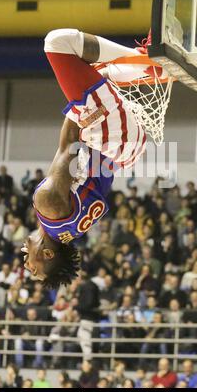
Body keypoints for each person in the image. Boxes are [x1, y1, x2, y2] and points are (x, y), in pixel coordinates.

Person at [22, 28, 164, 288]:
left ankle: (144, 65)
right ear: (48, 254)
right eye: (35, 270)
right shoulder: (49, 206)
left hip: (121, 153)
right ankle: (149, 64)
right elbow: (67, 148)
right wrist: (77, 112)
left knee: (98, 70)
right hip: (110, 139)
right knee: (58, 44)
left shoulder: (70, 230)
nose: (26, 267)